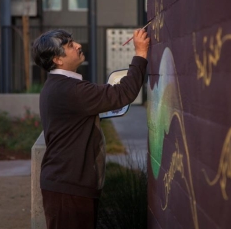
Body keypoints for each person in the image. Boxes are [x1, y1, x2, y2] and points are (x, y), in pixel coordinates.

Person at [31, 28, 150, 229]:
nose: (78, 45)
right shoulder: (70, 90)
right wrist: (140, 54)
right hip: (69, 187)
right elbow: (123, 93)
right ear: (57, 60)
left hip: (68, 184)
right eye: (69, 45)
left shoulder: (59, 86)